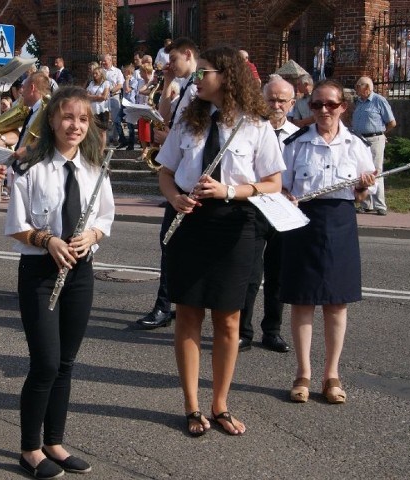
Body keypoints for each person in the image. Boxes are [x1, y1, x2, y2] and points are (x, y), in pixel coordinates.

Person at [157, 46, 284, 436]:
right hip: (190, 223)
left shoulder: (256, 125)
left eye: (203, 73)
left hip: (235, 225)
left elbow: (273, 183)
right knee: (188, 315)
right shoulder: (188, 122)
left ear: (226, 77)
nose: (196, 80)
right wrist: (173, 196)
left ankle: (221, 404)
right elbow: (165, 171)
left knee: (229, 320)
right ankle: (193, 407)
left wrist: (229, 191)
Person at [5, 86, 113, 479]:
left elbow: (105, 218)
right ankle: (29, 449)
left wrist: (92, 237)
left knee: (66, 363)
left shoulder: (94, 168)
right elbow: (16, 226)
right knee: (46, 363)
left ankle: (54, 441)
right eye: (68, 117)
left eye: (83, 119)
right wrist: (47, 240)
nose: (76, 126)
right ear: (51, 120)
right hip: (40, 272)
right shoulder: (28, 167)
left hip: (80, 272)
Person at [281, 79, 376, 405]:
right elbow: (280, 186)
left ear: (342, 108)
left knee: (337, 303)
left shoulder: (356, 144)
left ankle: (331, 374)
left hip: (339, 222)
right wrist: (286, 197)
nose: (323, 110)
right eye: (317, 105)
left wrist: (363, 187)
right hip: (303, 223)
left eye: (330, 105)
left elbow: (363, 194)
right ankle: (303, 373)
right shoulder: (296, 143)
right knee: (303, 300)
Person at [137, 37, 201, 330]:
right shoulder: (182, 86)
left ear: (188, 55)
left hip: (190, 174)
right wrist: (166, 84)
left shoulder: (199, 87)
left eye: (173, 59)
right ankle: (169, 303)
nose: (169, 64)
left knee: (173, 244)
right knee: (170, 243)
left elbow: (193, 129)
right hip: (177, 171)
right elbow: (163, 117)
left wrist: (170, 137)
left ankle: (166, 306)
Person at [238, 78, 299, 353]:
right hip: (254, 208)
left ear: (291, 104)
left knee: (278, 273)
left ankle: (272, 331)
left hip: (283, 211)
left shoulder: (298, 136)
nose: (275, 105)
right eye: (271, 100)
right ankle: (243, 331)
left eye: (281, 101)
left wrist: (293, 192)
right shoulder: (250, 130)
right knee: (250, 274)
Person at [353, 77, 396, 216]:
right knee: (364, 171)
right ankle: (366, 204)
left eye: (358, 86)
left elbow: (391, 122)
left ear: (366, 87)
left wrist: (381, 134)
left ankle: (380, 204)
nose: (356, 88)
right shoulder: (359, 102)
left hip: (375, 139)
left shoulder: (379, 100)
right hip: (360, 140)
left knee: (377, 171)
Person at [86, 67, 110, 132]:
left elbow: (104, 97)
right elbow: (86, 96)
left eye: (96, 73)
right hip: (93, 109)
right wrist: (98, 97)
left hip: (102, 109)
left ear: (101, 74)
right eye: (93, 73)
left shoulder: (106, 83)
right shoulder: (91, 83)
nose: (94, 75)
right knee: (94, 130)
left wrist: (92, 97)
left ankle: (103, 142)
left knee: (102, 131)